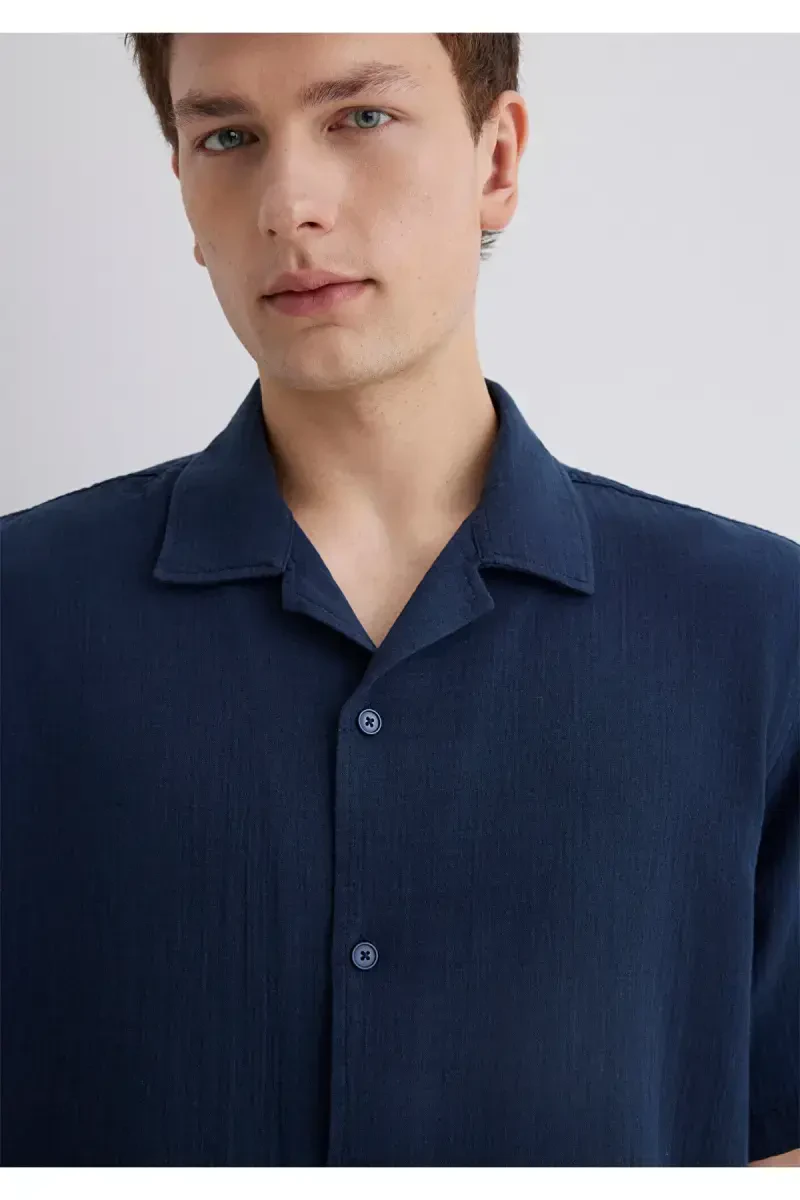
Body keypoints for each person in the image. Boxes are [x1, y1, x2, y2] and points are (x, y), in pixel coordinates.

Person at [1, 32, 797, 1168]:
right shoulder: (24, 619)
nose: (288, 204)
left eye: (360, 118)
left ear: (496, 158)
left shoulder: (757, 632)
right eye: (228, 137)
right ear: (183, 186)